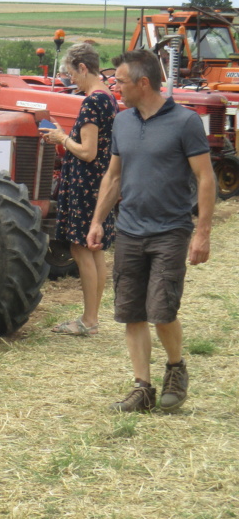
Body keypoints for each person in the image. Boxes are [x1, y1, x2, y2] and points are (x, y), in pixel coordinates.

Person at [86, 49, 214, 413]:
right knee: (132, 312)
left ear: (143, 83)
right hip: (129, 230)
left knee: (162, 310)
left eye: (121, 81)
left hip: (170, 230)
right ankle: (142, 388)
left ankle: (176, 367)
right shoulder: (123, 122)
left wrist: (202, 232)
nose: (116, 86)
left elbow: (206, 178)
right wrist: (98, 221)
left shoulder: (186, 122)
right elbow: (113, 176)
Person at [39, 43, 117, 337]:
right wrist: (64, 134)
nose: (71, 79)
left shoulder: (92, 102)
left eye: (72, 73)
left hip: (86, 185)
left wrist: (61, 137)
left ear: (83, 68)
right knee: (95, 250)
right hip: (101, 182)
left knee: (80, 247)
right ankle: (92, 317)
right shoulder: (109, 98)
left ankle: (89, 320)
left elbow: (87, 151)